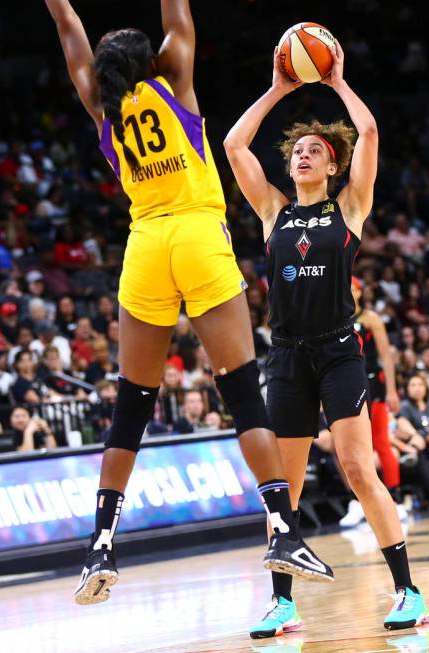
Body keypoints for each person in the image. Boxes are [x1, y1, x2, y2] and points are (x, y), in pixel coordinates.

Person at [45, 0, 332, 606]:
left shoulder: (104, 106)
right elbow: (178, 17)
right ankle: (284, 529)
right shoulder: (174, 82)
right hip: (198, 236)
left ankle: (100, 543)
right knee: (242, 390)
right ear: (152, 59)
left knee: (132, 403)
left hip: (146, 242)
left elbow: (68, 31)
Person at [224, 42, 429, 635]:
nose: (306, 156)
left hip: (340, 352)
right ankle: (282, 602)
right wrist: (280, 90)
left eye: (317, 151)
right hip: (286, 356)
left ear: (333, 166)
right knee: (280, 488)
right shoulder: (272, 213)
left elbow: (367, 130)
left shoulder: (350, 208)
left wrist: (335, 80)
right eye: (299, 152)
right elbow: (235, 145)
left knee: (358, 469)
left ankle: (407, 590)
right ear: (289, 166)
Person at [340, 277, 403, 527]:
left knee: (381, 442)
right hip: (345, 387)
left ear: (358, 291)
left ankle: (396, 500)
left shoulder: (371, 319)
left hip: (373, 386)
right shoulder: (334, 319)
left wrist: (392, 390)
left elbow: (386, 356)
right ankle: (357, 502)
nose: (348, 291)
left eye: (351, 288)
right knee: (349, 449)